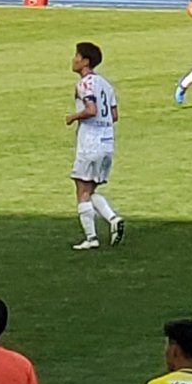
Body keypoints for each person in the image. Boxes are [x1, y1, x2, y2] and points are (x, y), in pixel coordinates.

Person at [66, 42, 124, 251]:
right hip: (107, 141)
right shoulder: (106, 84)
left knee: (81, 188)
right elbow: (114, 115)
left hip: (90, 142)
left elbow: (91, 109)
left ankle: (92, 237)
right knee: (90, 190)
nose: (73, 59)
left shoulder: (84, 84)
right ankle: (112, 219)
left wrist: (74, 116)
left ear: (85, 61)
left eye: (77, 56)